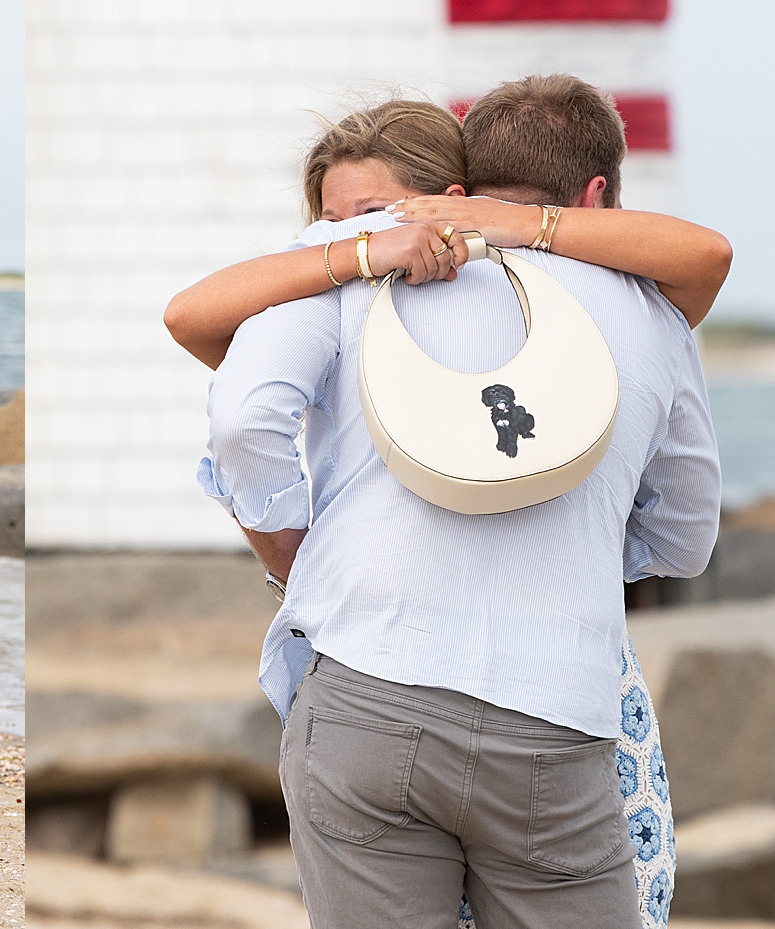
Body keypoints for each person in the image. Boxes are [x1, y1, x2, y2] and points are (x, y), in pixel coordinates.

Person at [186, 77, 726, 927]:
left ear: (461, 186)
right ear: (599, 196)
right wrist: (574, 545)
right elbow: (688, 536)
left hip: (367, 685)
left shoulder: (362, 261)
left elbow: (244, 413)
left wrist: (293, 553)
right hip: (554, 711)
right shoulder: (650, 310)